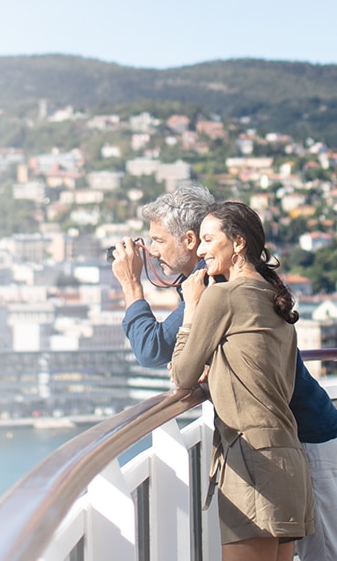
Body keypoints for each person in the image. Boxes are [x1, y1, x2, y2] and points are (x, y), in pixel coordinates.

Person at [109, 185, 337, 561]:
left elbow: (165, 359)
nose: (150, 250)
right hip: (292, 446)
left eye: (156, 240)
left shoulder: (218, 289)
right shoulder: (261, 288)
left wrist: (134, 287)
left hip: (275, 448)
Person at [171, 201, 313, 559]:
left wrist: (192, 308)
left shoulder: (223, 295)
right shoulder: (274, 297)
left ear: (237, 243)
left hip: (252, 460)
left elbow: (182, 375)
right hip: (287, 456)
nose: (199, 250)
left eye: (206, 239)